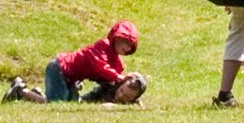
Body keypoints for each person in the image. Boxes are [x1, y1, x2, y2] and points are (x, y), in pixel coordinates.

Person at [9, 18, 145, 103]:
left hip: (71, 78)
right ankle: (21, 91)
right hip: (60, 68)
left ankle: (36, 94)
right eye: (122, 41)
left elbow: (116, 83)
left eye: (129, 45)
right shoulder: (103, 46)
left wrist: (133, 96)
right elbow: (100, 66)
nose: (125, 47)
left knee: (70, 102)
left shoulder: (117, 62)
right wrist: (119, 76)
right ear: (114, 37)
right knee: (57, 103)